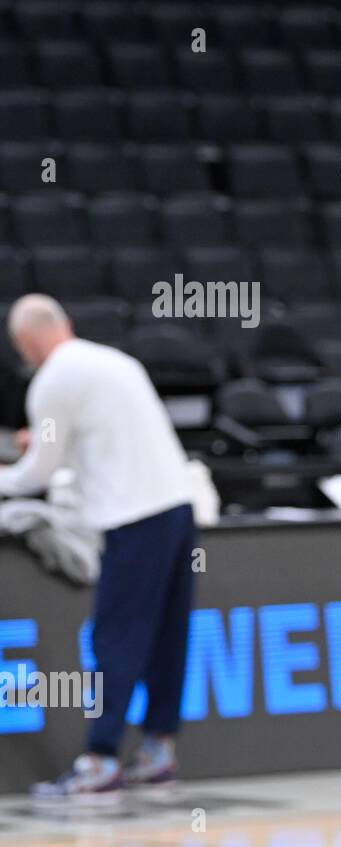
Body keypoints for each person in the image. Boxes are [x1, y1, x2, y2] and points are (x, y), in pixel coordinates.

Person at [0, 295, 196, 798]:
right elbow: (99, 438)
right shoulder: (116, 361)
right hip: (178, 508)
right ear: (64, 324)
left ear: (25, 342)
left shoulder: (52, 382)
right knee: (167, 636)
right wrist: (43, 443)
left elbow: (39, 474)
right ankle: (158, 749)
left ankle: (99, 758)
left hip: (133, 520)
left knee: (115, 637)